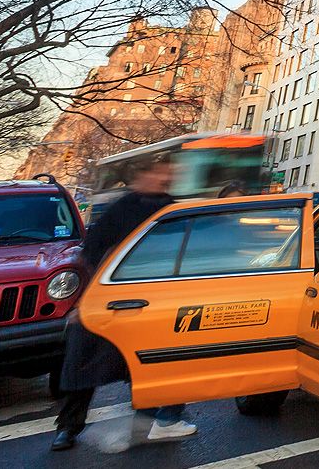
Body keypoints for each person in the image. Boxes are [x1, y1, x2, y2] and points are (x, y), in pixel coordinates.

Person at [54, 155, 195, 451]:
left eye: (169, 173)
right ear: (142, 175)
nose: (166, 178)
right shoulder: (123, 207)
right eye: (161, 173)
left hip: (154, 297)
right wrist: (85, 302)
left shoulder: (173, 208)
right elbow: (92, 253)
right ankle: (68, 427)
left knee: (152, 362)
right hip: (112, 296)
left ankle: (153, 419)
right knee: (83, 363)